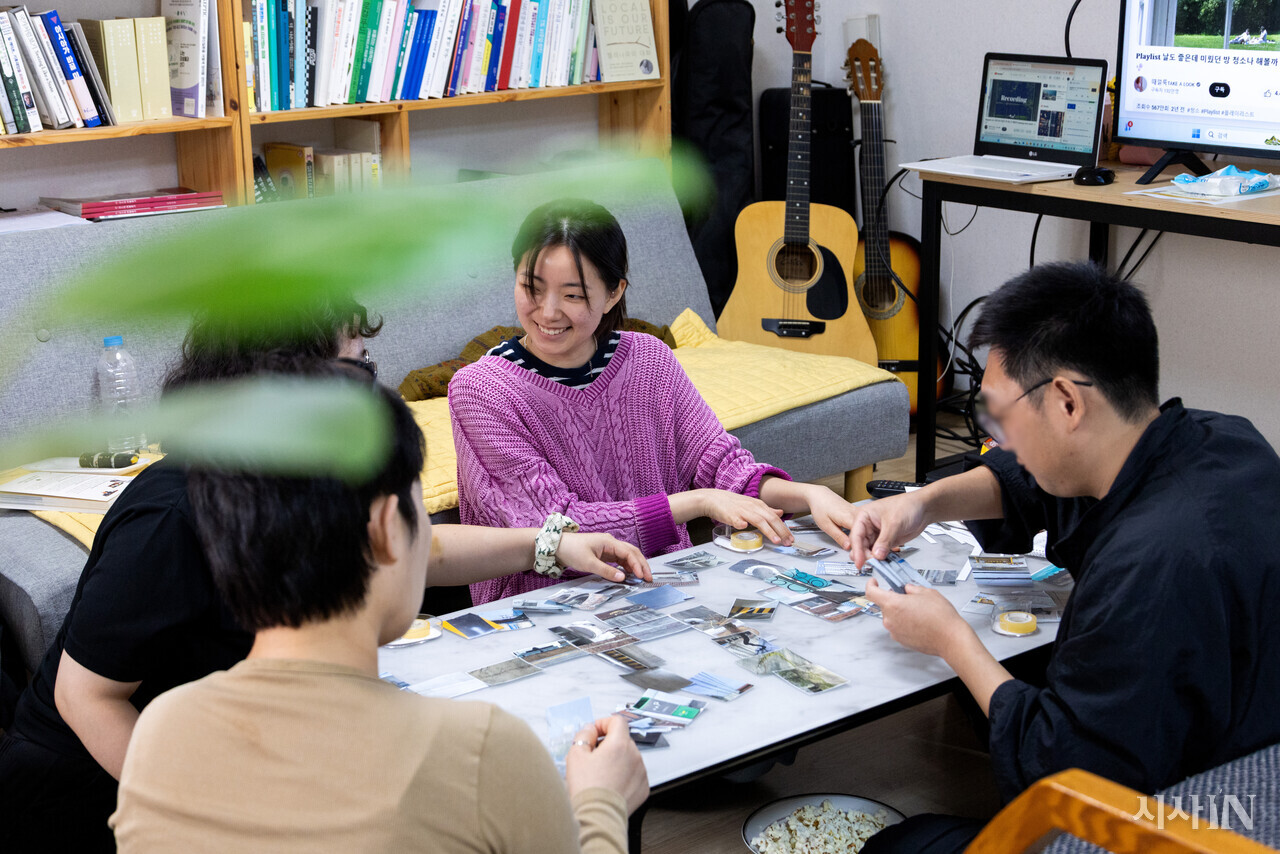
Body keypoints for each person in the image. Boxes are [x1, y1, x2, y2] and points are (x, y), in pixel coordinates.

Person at [0, 300, 649, 852]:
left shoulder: (287, 485)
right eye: (358, 364)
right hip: (80, 795)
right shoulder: (175, 513)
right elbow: (87, 697)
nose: (370, 379)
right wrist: (207, 813)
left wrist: (548, 544)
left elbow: (407, 550)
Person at [852, 262, 1280, 854]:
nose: (998, 438)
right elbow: (1034, 483)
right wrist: (924, 502)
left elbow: (1064, 774)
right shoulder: (1224, 439)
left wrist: (951, 639)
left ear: (1066, 403)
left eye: (1000, 416)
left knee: (902, 843)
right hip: (1247, 734)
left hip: (1192, 813)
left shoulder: (1148, 564)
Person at [449, 198, 862, 604]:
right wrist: (698, 501)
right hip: (544, 604)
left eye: (572, 295)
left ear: (614, 293)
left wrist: (810, 495)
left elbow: (721, 465)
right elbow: (557, 530)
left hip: (664, 582)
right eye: (532, 288)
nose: (548, 311)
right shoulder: (481, 390)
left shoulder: (649, 360)